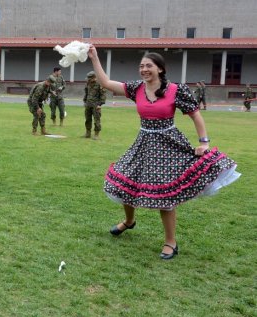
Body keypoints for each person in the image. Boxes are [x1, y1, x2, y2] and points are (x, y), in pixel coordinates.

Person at [87, 46, 240, 260]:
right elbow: (106, 83)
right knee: (125, 182)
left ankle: (171, 242)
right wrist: (94, 58)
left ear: (160, 69)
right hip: (143, 143)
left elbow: (195, 115)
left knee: (165, 195)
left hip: (169, 146)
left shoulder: (176, 90)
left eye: (149, 65)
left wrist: (204, 142)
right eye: (141, 66)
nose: (144, 69)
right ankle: (129, 222)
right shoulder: (136, 88)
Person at [83, 71, 106, 139]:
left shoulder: (100, 84)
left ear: (94, 78)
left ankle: (96, 134)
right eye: (88, 78)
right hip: (88, 104)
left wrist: (100, 104)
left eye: (90, 78)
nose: (88, 80)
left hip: (96, 104)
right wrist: (85, 101)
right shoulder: (87, 83)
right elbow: (86, 93)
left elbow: (103, 95)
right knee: (87, 119)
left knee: (97, 120)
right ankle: (88, 133)